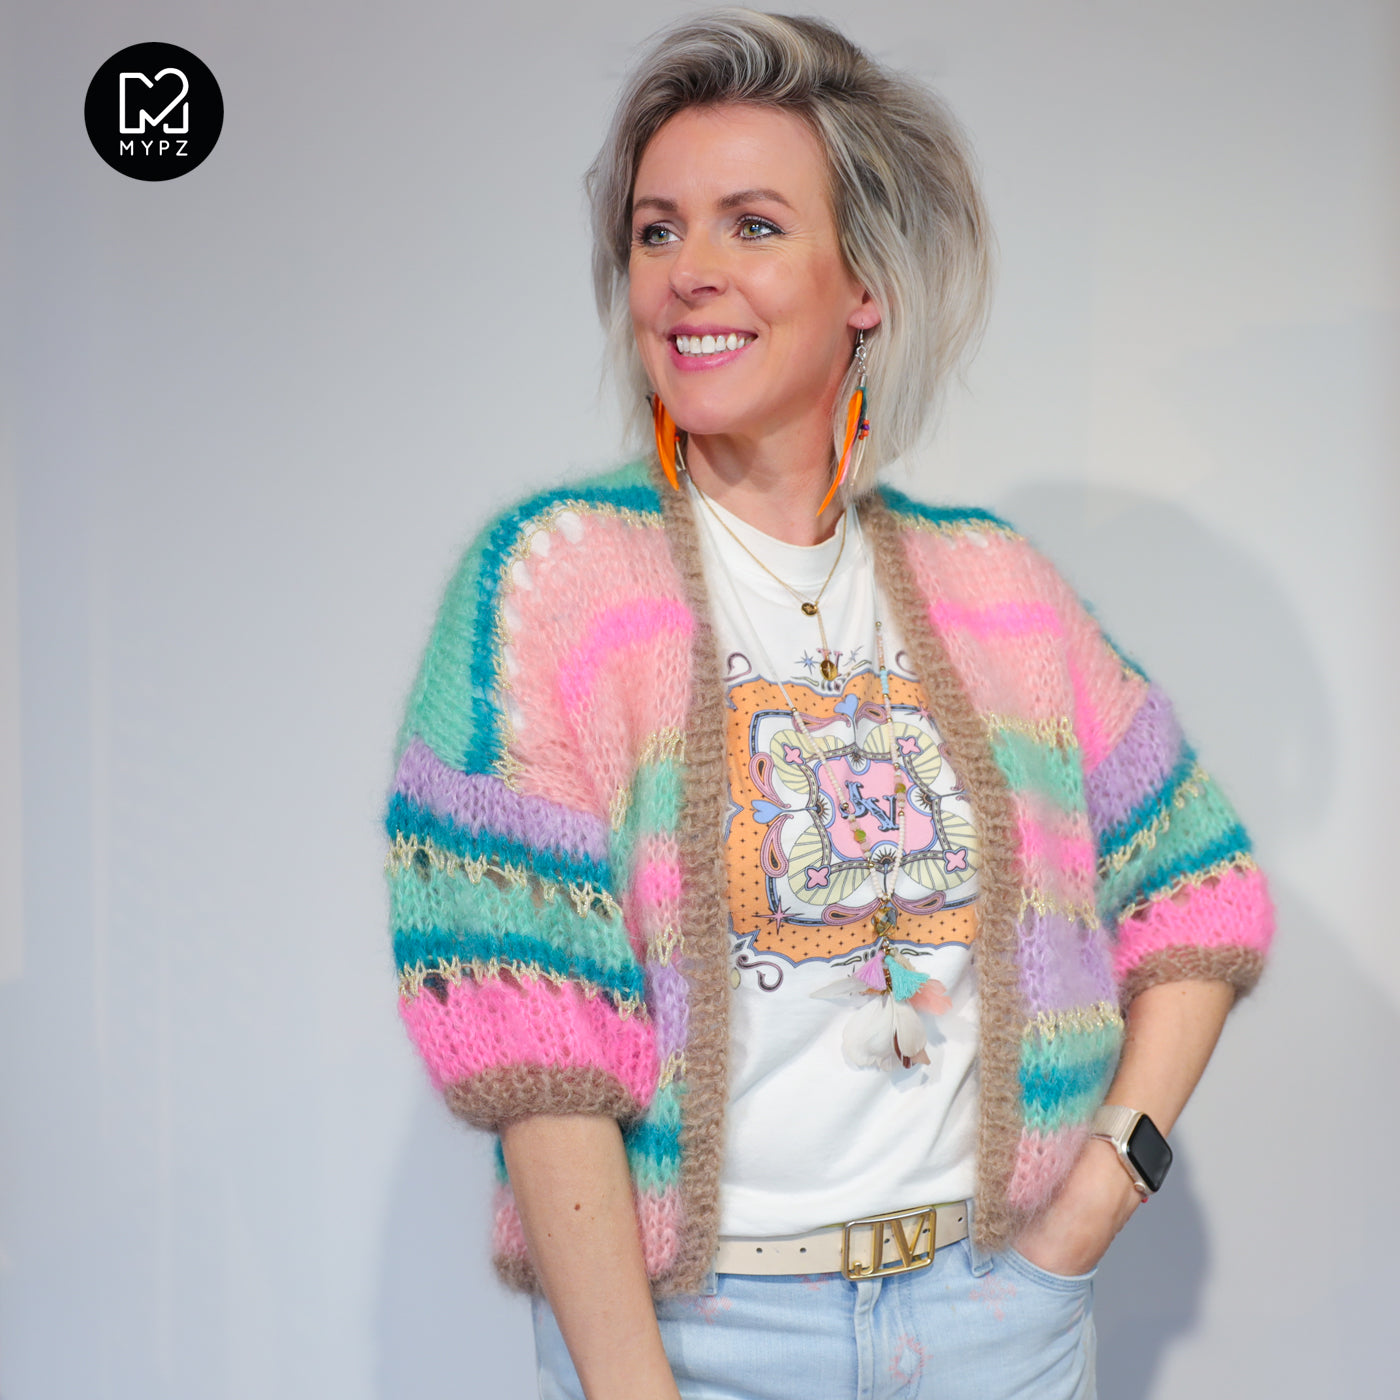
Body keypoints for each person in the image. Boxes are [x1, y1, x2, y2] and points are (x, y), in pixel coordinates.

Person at [384, 11, 1274, 1398]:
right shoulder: (550, 585)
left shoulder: (996, 589)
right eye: (656, 231)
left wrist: (1102, 1192)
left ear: (864, 280)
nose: (688, 272)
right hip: (703, 1343)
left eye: (751, 224)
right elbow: (531, 1042)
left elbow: (1200, 892)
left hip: (999, 1327)